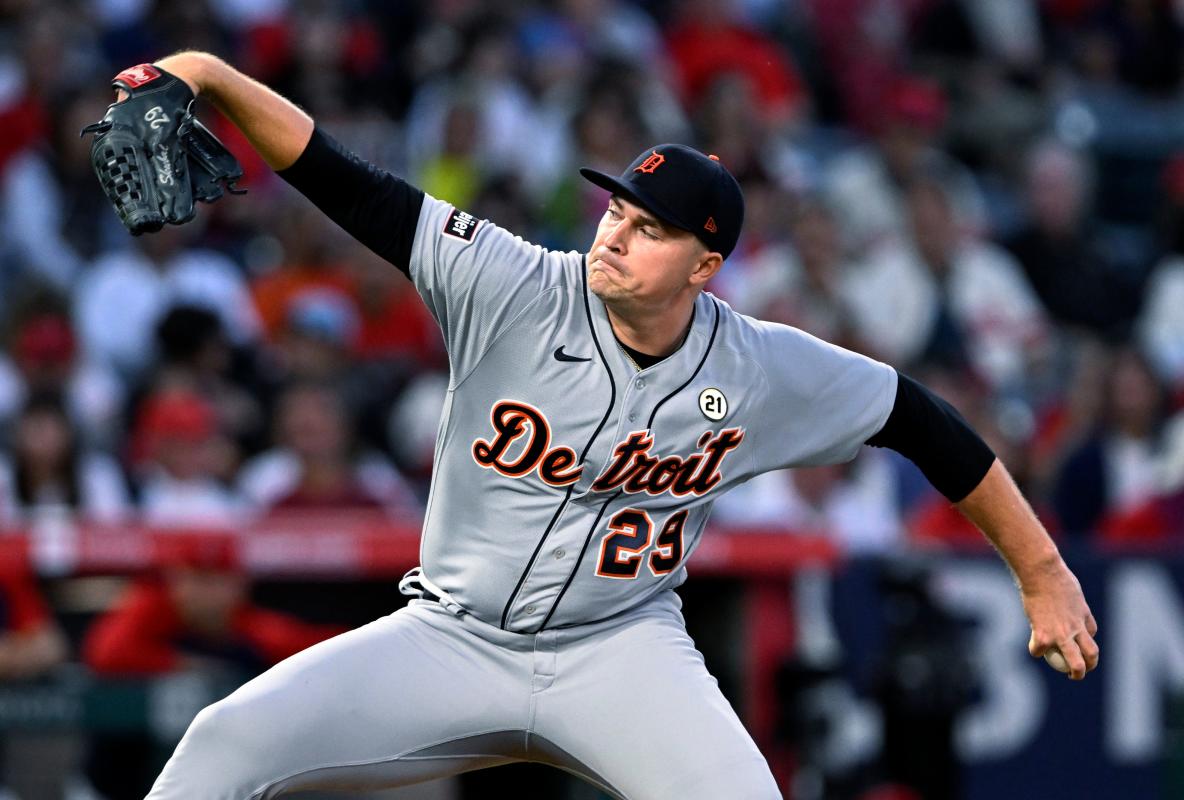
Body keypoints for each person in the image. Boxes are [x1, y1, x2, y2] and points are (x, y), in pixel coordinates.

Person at [110, 52, 1097, 800]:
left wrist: (1041, 568)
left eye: (651, 226)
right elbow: (344, 179)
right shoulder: (513, 283)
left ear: (705, 266)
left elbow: (921, 419)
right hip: (453, 635)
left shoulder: (756, 366)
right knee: (222, 743)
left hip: (621, 649)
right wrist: (209, 75)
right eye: (618, 208)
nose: (616, 231)